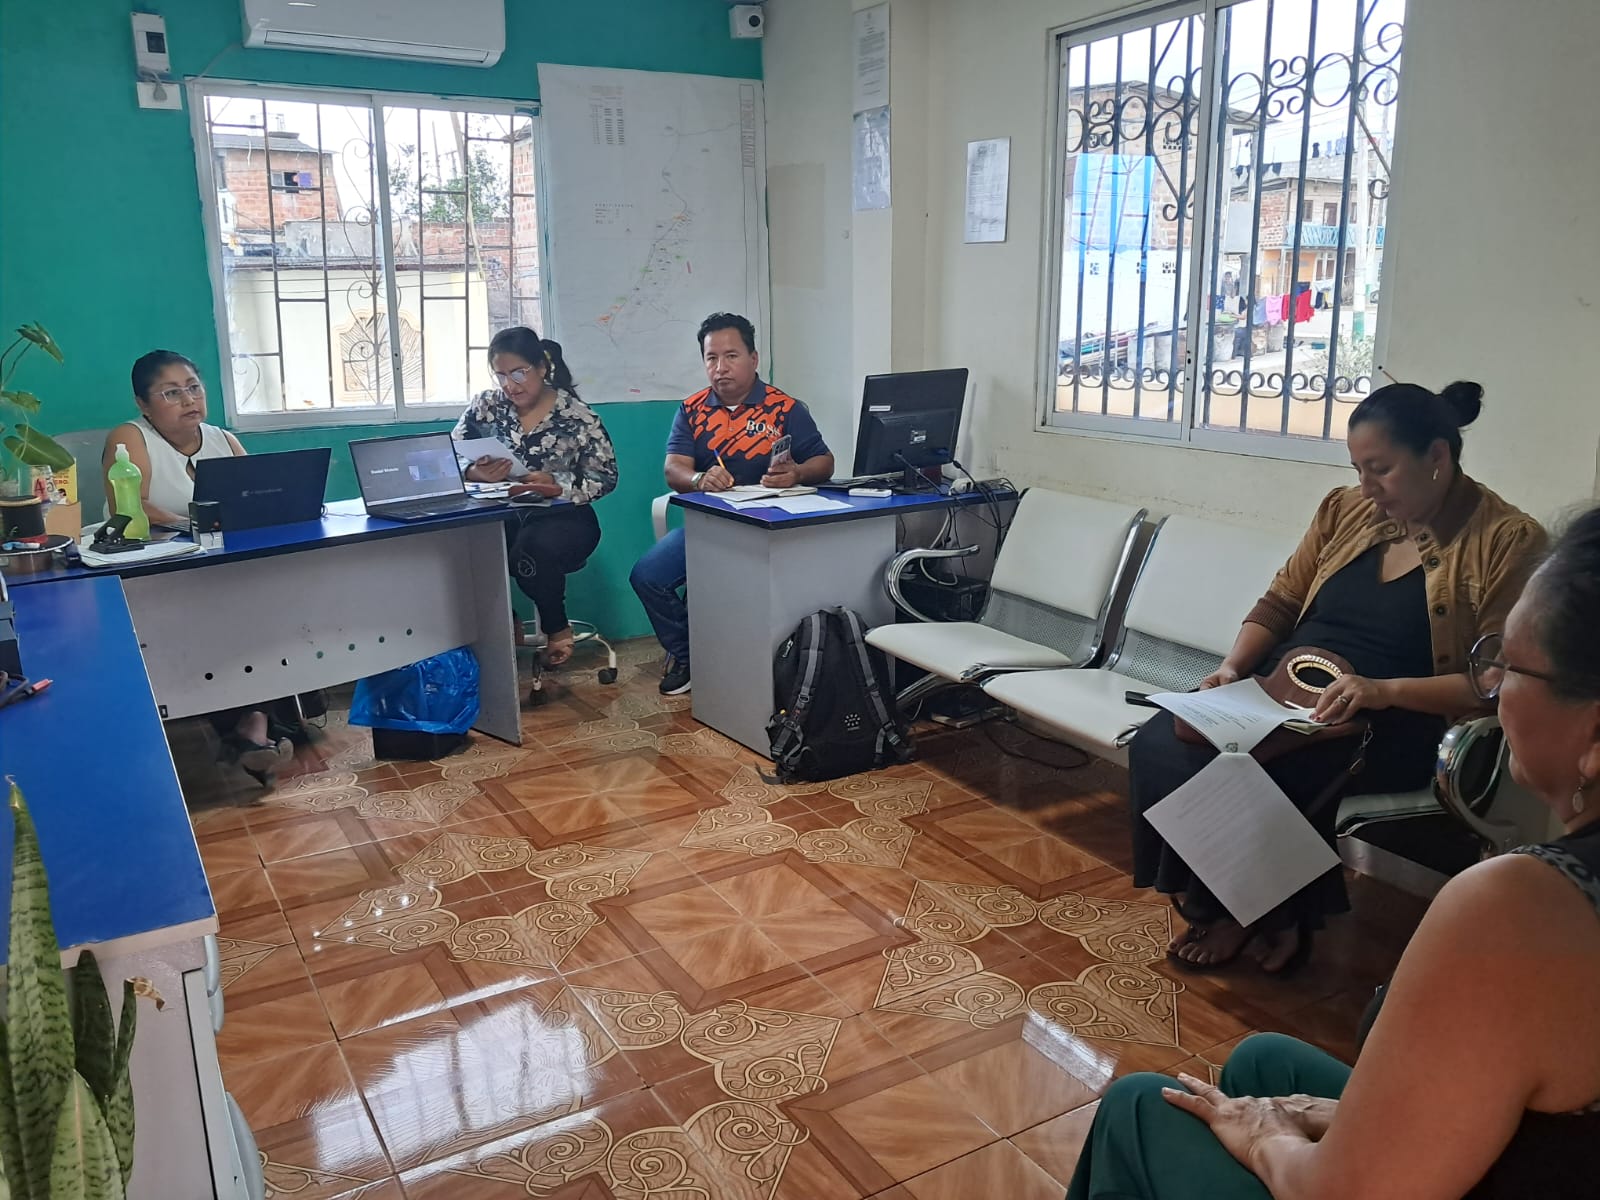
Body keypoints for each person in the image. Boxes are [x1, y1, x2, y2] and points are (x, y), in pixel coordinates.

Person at [1066, 503, 1600, 1200]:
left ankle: (1270, 912)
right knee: (1264, 1059)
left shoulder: (1521, 906)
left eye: (1509, 666)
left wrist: (1269, 1138)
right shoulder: (1349, 518)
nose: (1494, 690)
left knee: (1139, 1104)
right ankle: (1241, 907)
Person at [1132, 380, 1544, 975]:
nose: (1367, 488)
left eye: (1381, 470)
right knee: (1161, 741)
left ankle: (1248, 914)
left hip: (1394, 719)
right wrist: (1233, 668)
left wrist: (1381, 690)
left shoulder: (1507, 540)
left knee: (1262, 770)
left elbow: (1493, 681)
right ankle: (1256, 909)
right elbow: (1281, 600)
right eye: (1358, 470)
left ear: (1437, 456)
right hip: (1287, 693)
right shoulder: (1344, 510)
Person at [101, 350, 294, 785]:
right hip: (155, 570)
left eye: (193, 388)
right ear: (143, 403)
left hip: (221, 565)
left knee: (266, 600)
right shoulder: (130, 438)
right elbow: (132, 506)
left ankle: (254, 725)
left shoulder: (223, 439)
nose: (188, 399)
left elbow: (256, 494)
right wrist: (192, 522)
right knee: (217, 614)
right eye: (171, 393)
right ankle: (251, 726)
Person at [628, 313, 835, 695]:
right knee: (648, 576)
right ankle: (690, 657)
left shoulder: (785, 408)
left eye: (731, 356)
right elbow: (673, 469)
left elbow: (825, 462)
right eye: (711, 358)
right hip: (709, 529)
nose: (720, 368)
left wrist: (797, 473)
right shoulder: (692, 410)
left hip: (770, 531)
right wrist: (698, 479)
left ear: (753, 359)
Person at [454, 326, 617, 666]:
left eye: (518, 373)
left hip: (564, 517)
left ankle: (557, 629)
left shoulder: (578, 416)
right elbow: (448, 453)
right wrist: (473, 472)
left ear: (541, 368)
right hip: (502, 513)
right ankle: (504, 618)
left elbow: (605, 476)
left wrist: (556, 483)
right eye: (501, 375)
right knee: (464, 546)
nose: (510, 385)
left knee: (530, 550)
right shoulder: (486, 406)